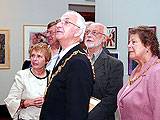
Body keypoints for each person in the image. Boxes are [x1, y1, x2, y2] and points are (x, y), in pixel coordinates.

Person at [40, 11, 94, 120]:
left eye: (66, 22)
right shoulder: (67, 56)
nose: (59, 25)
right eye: (60, 22)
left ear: (78, 31)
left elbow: (77, 112)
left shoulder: (78, 62)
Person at [117, 26, 160, 120]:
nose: (129, 45)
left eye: (134, 42)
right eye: (129, 42)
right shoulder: (136, 70)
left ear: (148, 45)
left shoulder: (157, 72)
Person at [84, 22, 124, 120]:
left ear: (104, 39)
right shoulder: (76, 60)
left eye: (94, 33)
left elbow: (111, 100)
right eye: (87, 32)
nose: (89, 35)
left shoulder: (114, 65)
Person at [4, 43, 51, 120]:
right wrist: (28, 102)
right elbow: (10, 100)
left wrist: (46, 101)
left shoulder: (52, 76)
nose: (34, 59)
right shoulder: (22, 75)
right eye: (33, 55)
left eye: (39, 56)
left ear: (47, 61)